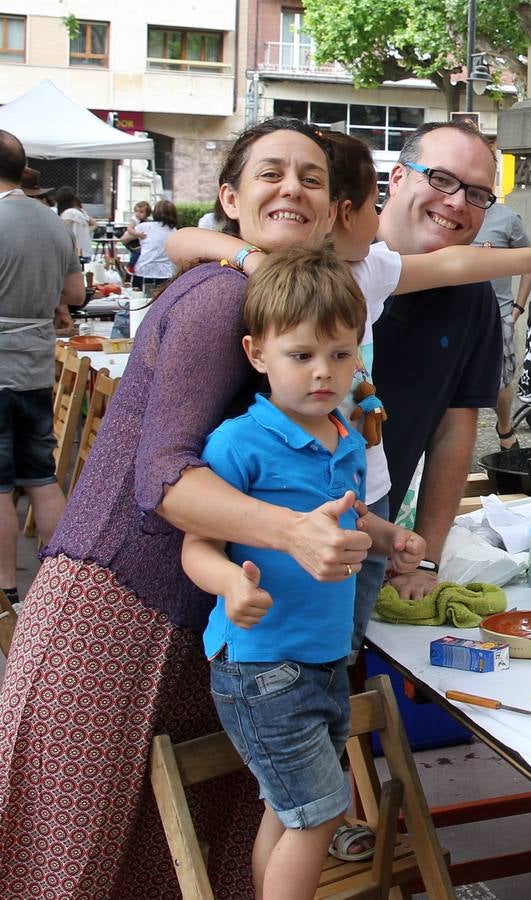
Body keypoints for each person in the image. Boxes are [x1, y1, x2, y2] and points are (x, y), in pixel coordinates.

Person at [0, 118, 373, 897]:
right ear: (231, 197)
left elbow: (174, 246)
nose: (292, 188)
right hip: (116, 610)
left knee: (146, 857)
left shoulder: (267, 291)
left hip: (187, 613)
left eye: (311, 177)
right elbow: (163, 479)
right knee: (68, 858)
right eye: (270, 172)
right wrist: (292, 534)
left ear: (336, 207)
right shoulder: (224, 298)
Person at [168, 128, 531, 655]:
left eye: (476, 193)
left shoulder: (370, 270)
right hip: (278, 495)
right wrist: (248, 257)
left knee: (338, 647)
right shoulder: (286, 279)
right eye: (370, 209)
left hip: (363, 488)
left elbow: (456, 266)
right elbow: (183, 242)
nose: (377, 222)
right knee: (271, 641)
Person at [181, 245, 424, 899]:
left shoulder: (344, 435)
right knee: (318, 817)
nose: (324, 372)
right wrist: (230, 583)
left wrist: (389, 537)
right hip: (262, 666)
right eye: (302, 355)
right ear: (258, 353)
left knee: (288, 813)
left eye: (341, 355)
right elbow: (196, 544)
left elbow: (351, 524)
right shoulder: (238, 444)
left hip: (321, 660)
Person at [373, 122, 517, 602]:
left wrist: (426, 559)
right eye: (440, 178)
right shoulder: (329, 267)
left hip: (371, 542)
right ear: (396, 179)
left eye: (477, 193)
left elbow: (455, 430)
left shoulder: (474, 295)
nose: (457, 201)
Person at [0, 130, 83, 609]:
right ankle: (57, 587)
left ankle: (6, 585)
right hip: (35, 366)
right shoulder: (53, 221)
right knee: (41, 476)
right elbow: (74, 295)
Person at [475, 200, 531, 450]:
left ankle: (504, 429)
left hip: (499, 315)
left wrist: (518, 308)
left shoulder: (508, 218)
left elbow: (530, 262)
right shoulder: (451, 214)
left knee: (501, 379)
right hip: (454, 313)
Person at [121, 198, 178, 291]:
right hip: (166, 272)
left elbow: (124, 239)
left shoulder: (146, 227)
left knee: (139, 300)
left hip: (144, 269)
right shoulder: (175, 232)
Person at [55, 187, 94, 262]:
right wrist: (85, 232)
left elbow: (63, 234)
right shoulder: (79, 212)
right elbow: (94, 224)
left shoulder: (68, 214)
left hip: (73, 255)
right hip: (84, 252)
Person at [126, 199, 151, 269]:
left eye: (141, 212)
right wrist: (138, 234)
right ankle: (130, 266)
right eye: (136, 211)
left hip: (138, 241)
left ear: (147, 213)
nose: (138, 213)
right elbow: (129, 229)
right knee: (137, 252)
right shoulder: (134, 220)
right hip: (133, 241)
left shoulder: (146, 221)